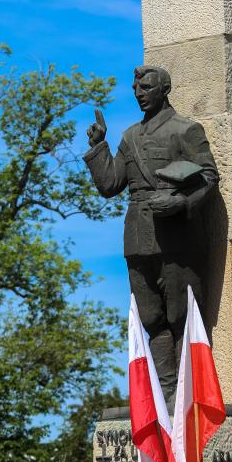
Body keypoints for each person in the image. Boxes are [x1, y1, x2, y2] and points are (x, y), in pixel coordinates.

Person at [84, 65, 219, 402]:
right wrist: (99, 147)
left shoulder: (186, 129)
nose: (139, 93)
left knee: (181, 314)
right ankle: (167, 391)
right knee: (151, 316)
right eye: (136, 88)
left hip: (177, 239)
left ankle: (187, 391)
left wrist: (180, 203)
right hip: (138, 237)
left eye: (145, 86)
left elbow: (209, 177)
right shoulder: (130, 136)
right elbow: (111, 184)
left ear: (164, 89)